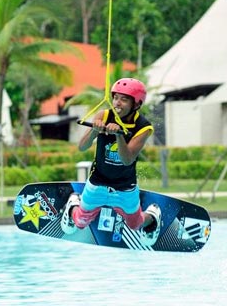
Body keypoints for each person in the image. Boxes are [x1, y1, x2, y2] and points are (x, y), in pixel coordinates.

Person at [61, 77, 160, 243]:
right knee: (79, 222)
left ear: (136, 104)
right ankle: (73, 204)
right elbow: (82, 147)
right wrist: (94, 130)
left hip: (125, 187)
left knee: (135, 224)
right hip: (97, 183)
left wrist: (118, 135)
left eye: (124, 99)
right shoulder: (104, 115)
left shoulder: (144, 127)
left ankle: (153, 216)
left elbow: (127, 159)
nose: (117, 103)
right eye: (115, 97)